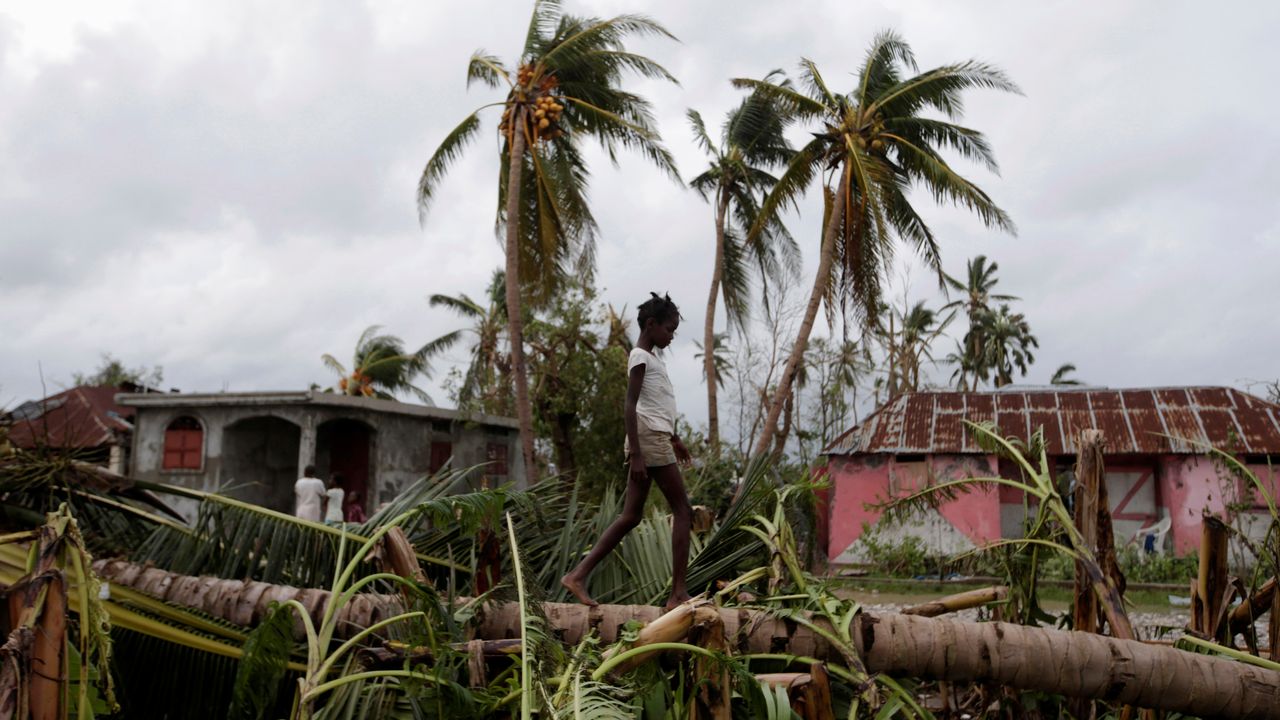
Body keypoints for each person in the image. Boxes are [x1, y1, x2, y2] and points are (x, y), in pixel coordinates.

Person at [562, 292, 693, 611]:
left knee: (631, 516)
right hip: (647, 439)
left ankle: (577, 575)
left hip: (654, 436)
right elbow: (630, 405)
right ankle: (678, 592)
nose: (672, 336)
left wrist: (675, 438)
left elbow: (655, 403)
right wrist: (636, 453)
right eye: (669, 329)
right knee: (683, 510)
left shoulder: (653, 359)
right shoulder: (640, 357)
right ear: (651, 324)